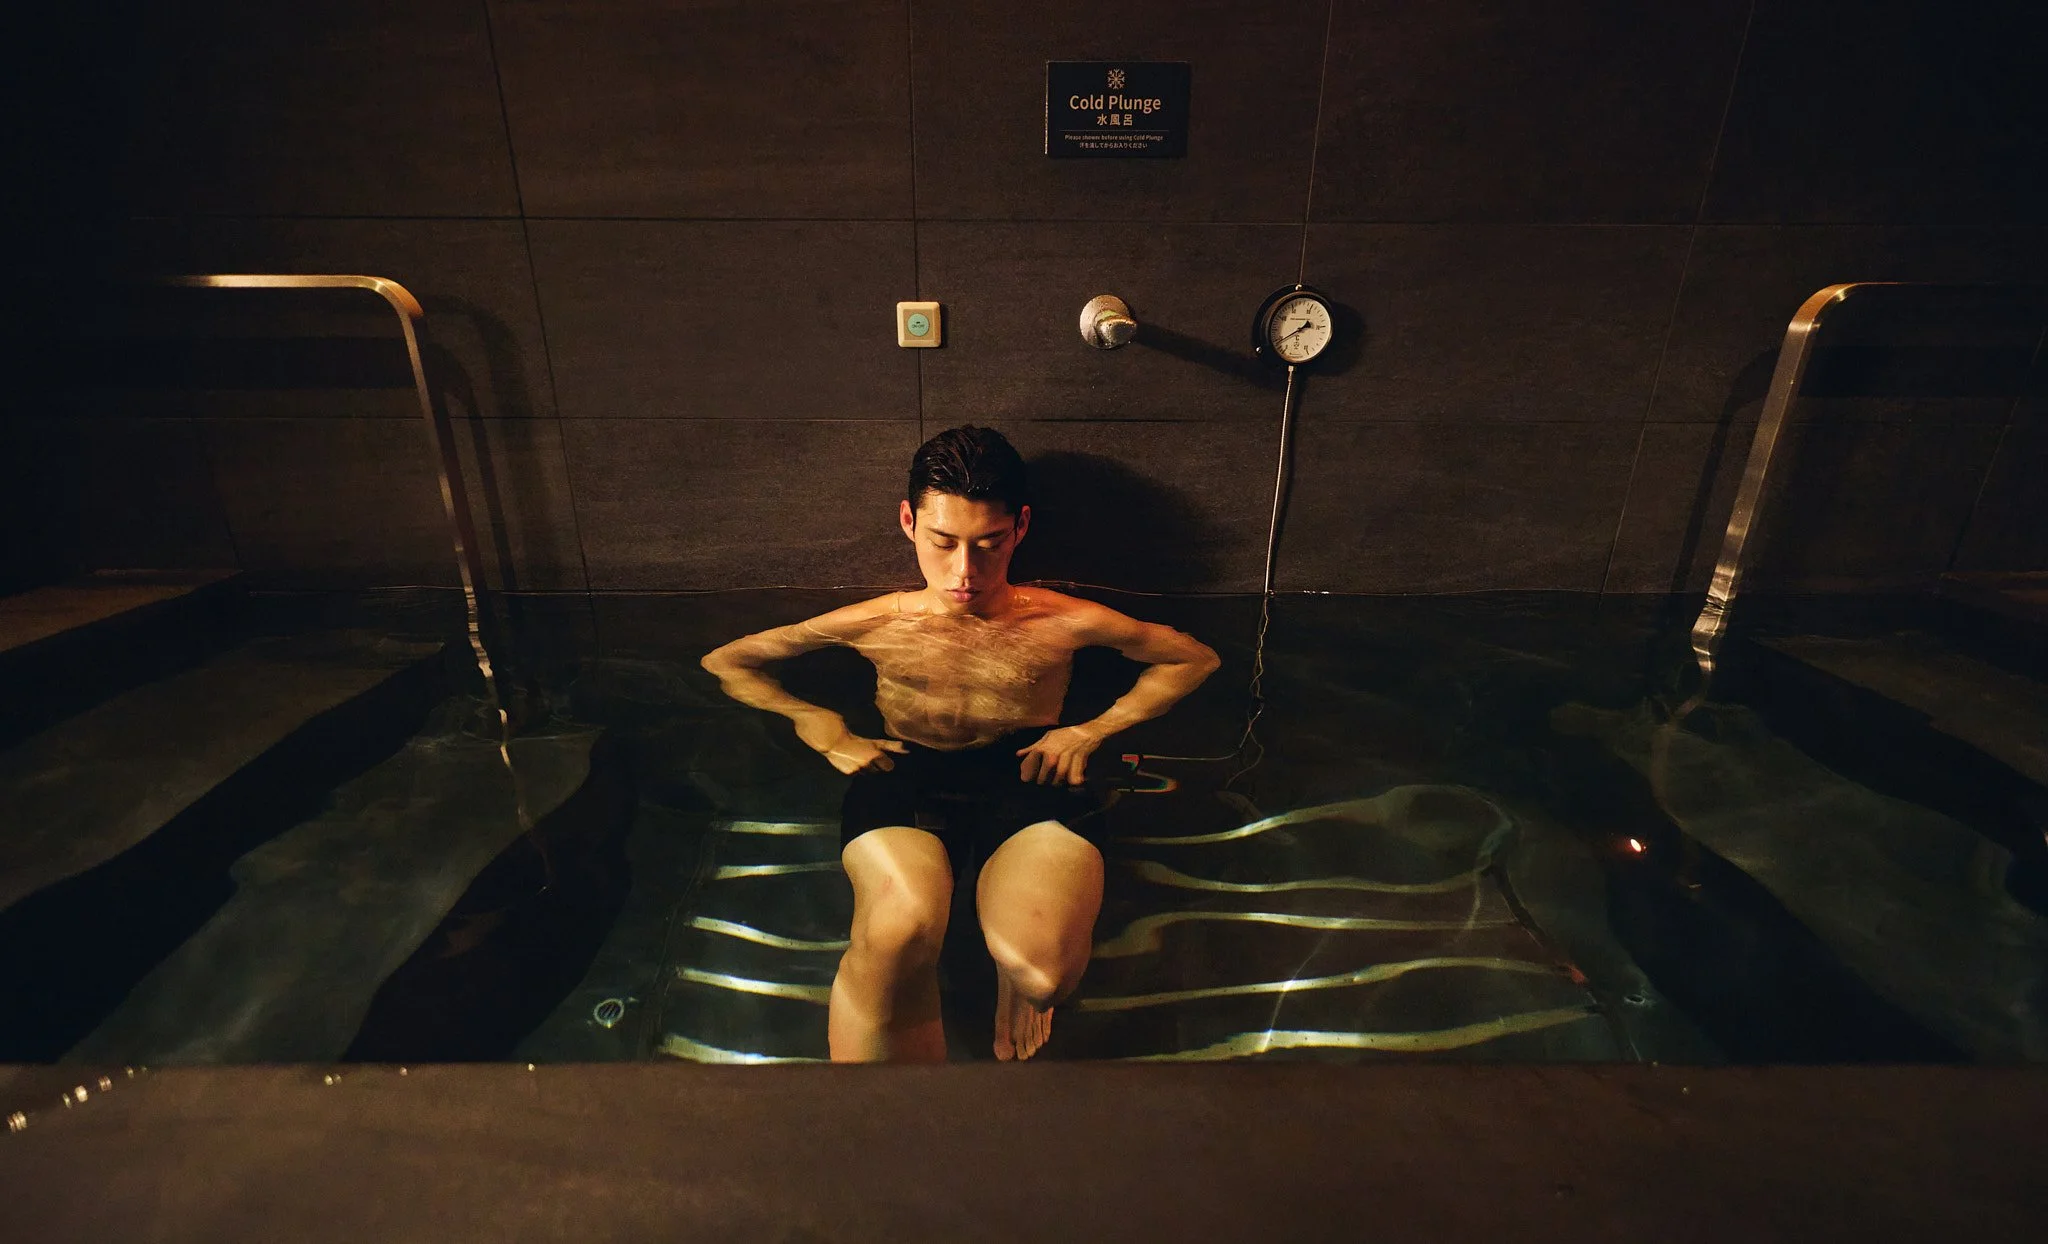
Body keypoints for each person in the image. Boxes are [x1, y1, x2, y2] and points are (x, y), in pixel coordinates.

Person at [700, 426, 1221, 1062]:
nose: (964, 573)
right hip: (906, 768)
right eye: (942, 543)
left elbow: (1192, 661)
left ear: (1020, 527)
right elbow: (728, 662)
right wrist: (822, 727)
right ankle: (889, 1087)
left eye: (988, 545)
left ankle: (1011, 971)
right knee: (900, 932)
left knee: (1044, 973)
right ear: (908, 522)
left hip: (1030, 771)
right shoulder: (878, 621)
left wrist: (1090, 731)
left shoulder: (1059, 621)